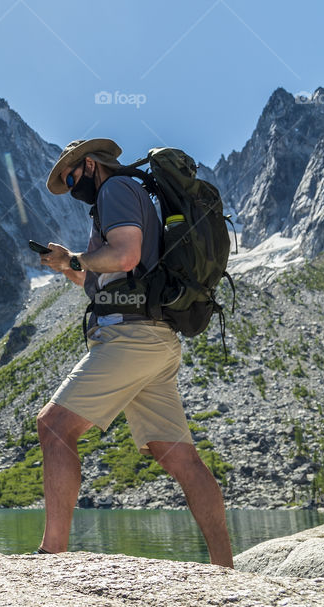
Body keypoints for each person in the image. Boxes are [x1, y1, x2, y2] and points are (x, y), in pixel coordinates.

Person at [33, 138, 233, 567]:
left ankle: (50, 559)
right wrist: (70, 261)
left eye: (70, 178)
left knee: (53, 427)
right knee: (179, 457)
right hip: (155, 340)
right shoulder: (125, 196)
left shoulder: (115, 191)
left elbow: (125, 256)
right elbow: (107, 277)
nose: (70, 188)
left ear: (89, 165)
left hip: (130, 337)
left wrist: (80, 259)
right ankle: (225, 568)